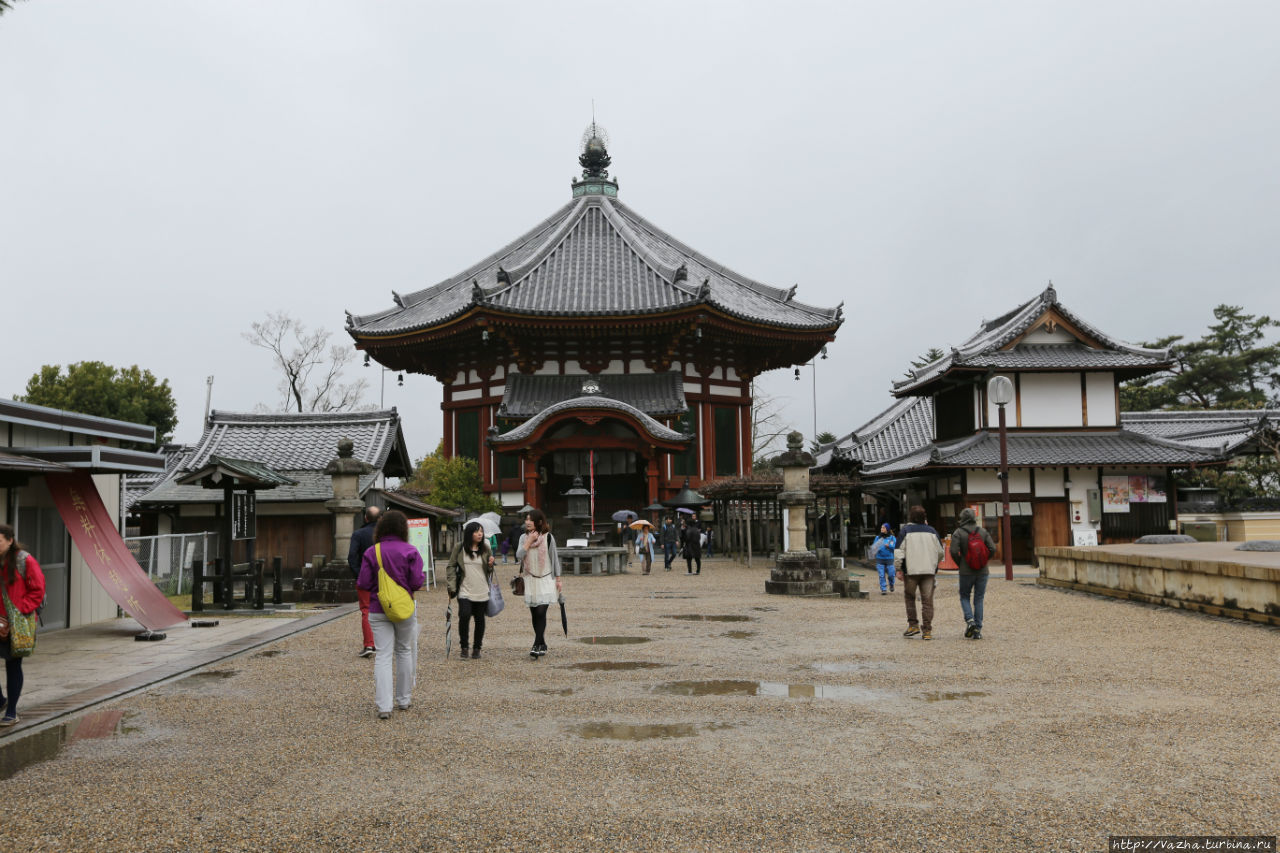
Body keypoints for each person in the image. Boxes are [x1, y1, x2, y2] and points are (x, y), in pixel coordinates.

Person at [355, 510, 424, 719]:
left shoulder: (371, 552)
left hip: (378, 608)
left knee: (383, 656)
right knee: (403, 650)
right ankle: (404, 699)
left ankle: (384, 706)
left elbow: (363, 583)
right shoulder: (410, 551)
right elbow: (417, 582)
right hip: (404, 608)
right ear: (403, 528)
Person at [0, 523, 46, 727]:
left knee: (13, 664)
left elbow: (37, 590)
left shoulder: (23, 560)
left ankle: (11, 711)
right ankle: (1, 701)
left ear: (10, 541)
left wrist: (20, 611)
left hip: (17, 622)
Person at [516, 509, 562, 659]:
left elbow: (554, 559)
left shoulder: (548, 538)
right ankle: (542, 643)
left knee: (541, 612)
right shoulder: (523, 538)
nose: (527, 522)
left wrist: (559, 579)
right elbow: (518, 556)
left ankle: (536, 644)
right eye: (526, 519)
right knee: (535, 614)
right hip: (530, 579)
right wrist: (528, 542)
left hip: (546, 579)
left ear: (539, 522)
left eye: (530, 519)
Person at [446, 521, 495, 659]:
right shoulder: (459, 547)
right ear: (469, 533)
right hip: (464, 590)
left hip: (482, 590)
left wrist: (491, 565)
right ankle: (464, 647)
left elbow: (489, 571)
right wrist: (451, 584)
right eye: (476, 531)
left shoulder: (486, 548)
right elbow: (450, 566)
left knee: (480, 620)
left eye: (481, 531)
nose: (480, 534)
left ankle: (477, 648)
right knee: (465, 615)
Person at [896, 506, 943, 640]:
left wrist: (898, 569)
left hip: (911, 571)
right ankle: (927, 630)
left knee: (910, 597)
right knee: (927, 601)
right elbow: (940, 552)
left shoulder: (905, 531)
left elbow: (898, 552)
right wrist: (934, 564)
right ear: (924, 517)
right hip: (928, 571)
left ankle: (913, 625)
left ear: (910, 517)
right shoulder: (932, 531)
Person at [951, 508, 996, 640]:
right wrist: (983, 560)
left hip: (966, 570)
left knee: (964, 596)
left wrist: (961, 563)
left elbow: (953, 551)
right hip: (982, 571)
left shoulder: (958, 532)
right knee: (979, 598)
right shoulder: (982, 531)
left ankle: (970, 620)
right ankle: (978, 630)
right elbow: (992, 548)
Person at [347, 505, 381, 659]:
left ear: (365, 518)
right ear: (380, 519)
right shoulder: (385, 535)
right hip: (385, 578)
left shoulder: (358, 534)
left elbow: (352, 557)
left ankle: (369, 643)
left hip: (365, 578)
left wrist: (359, 574)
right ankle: (386, 643)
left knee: (367, 610)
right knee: (386, 609)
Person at [871, 523, 897, 595]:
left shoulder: (892, 538)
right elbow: (874, 548)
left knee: (891, 574)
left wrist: (889, 546)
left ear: (887, 529)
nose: (881, 529)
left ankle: (891, 584)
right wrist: (875, 549)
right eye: (881, 527)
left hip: (889, 558)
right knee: (881, 575)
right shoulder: (878, 538)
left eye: (883, 528)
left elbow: (895, 547)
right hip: (880, 558)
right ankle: (883, 589)